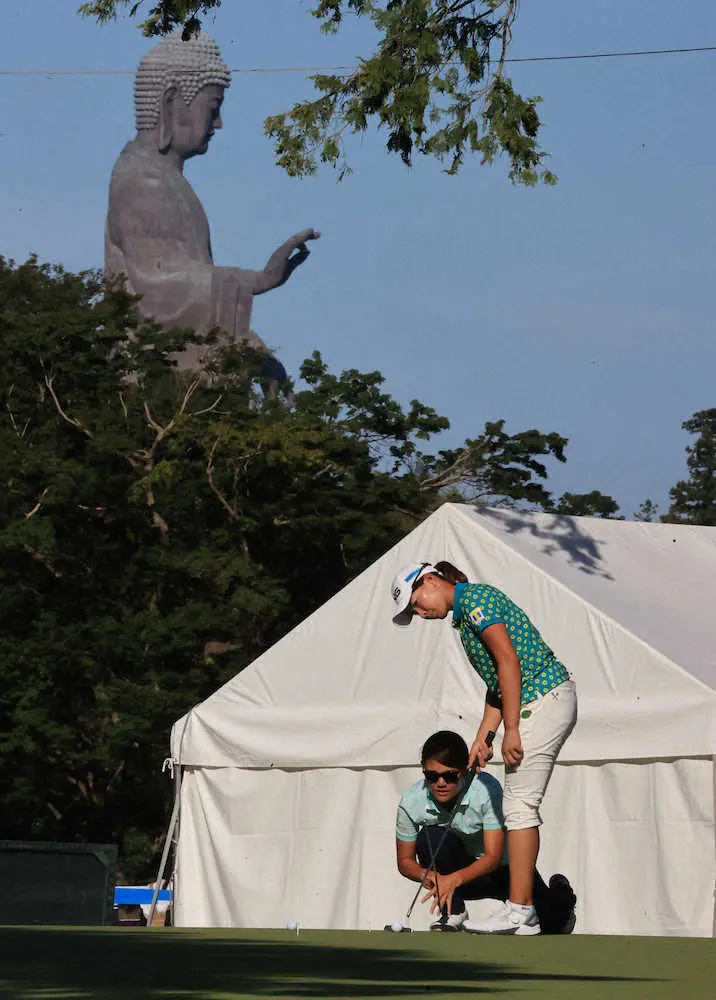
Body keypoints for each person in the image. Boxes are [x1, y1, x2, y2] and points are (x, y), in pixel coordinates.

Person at [391, 562, 578, 935]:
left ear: (430, 581)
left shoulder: (475, 601)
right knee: (519, 805)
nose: (420, 613)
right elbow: (497, 683)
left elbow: (509, 663)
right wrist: (483, 738)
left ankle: (521, 912)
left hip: (543, 698)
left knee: (520, 806)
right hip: (537, 700)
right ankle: (522, 910)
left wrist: (512, 729)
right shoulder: (464, 619)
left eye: (416, 604)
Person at [395, 731, 576, 933]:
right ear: (423, 771)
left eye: (450, 775)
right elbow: (405, 861)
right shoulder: (411, 801)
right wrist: (432, 877)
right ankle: (453, 910)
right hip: (458, 878)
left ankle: (561, 890)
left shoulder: (486, 790)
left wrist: (452, 880)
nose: (441, 783)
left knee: (552, 924)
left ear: (465, 770)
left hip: (505, 872)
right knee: (429, 836)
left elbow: (493, 857)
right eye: (432, 776)